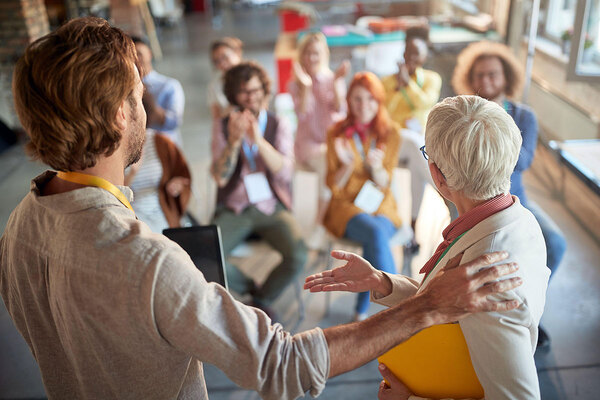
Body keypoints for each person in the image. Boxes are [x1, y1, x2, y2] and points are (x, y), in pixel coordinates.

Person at [1, 17, 524, 399]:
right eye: (139, 96)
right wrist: (427, 307)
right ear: (120, 114)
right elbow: (281, 365)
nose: (148, 108)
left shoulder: (20, 225)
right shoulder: (148, 262)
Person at [306, 95, 551, 400]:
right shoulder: (515, 219)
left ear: (437, 175)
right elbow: (449, 299)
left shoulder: (490, 274)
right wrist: (384, 282)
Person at [452, 40, 567, 348]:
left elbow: (524, 161)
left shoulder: (524, 116)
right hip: (471, 205)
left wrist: (493, 126)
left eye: (492, 74)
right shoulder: (464, 114)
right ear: (470, 78)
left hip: (515, 204)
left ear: (506, 77)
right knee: (472, 259)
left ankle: (526, 305)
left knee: (555, 244)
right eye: (479, 75)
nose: (486, 81)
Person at [210, 61, 308, 316]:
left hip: (271, 204)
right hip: (235, 206)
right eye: (244, 92)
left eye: (256, 91)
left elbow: (285, 172)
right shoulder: (222, 126)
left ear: (265, 92)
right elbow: (220, 179)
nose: (251, 98)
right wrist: (233, 141)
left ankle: (263, 299)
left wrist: (259, 141)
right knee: (206, 257)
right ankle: (251, 288)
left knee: (297, 255)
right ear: (233, 95)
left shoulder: (279, 124)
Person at [323, 72, 402, 321]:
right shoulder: (337, 133)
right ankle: (401, 305)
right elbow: (333, 187)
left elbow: (386, 181)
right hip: (346, 206)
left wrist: (376, 168)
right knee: (376, 233)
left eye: (370, 99)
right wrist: (346, 166)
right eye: (357, 99)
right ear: (348, 101)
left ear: (379, 100)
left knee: (374, 235)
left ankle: (360, 312)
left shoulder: (391, 132)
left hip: (381, 204)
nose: (363, 105)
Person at [381, 25, 443, 252]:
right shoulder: (387, 82)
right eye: (407, 52)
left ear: (425, 56)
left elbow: (425, 102)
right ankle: (444, 190)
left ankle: (412, 232)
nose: (411, 57)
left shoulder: (431, 79)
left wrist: (407, 84)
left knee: (419, 166)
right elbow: (383, 112)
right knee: (413, 143)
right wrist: (398, 87)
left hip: (419, 147)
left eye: (416, 53)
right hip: (392, 145)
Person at [288, 32, 349, 245]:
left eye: (316, 54)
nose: (311, 59)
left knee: (348, 161)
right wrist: (305, 87)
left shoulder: (331, 78)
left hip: (330, 141)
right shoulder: (296, 84)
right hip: (308, 144)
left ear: (323, 55)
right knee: (328, 163)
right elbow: (302, 114)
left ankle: (336, 214)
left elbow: (340, 110)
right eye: (307, 54)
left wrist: (337, 82)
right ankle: (320, 223)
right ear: (301, 55)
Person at [124, 87, 191, 233]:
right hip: (131, 222)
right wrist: (132, 174)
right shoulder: (113, 147)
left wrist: (176, 187)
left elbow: (185, 181)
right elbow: (110, 196)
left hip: (163, 219)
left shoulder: (161, 143)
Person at [132, 35, 185, 147]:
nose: (136, 58)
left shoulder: (169, 86)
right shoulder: (125, 88)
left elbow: (174, 122)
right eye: (131, 55)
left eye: (139, 53)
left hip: (166, 147)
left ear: (150, 54)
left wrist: (149, 102)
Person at [208, 37, 243, 121]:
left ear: (237, 53)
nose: (222, 63)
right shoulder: (215, 86)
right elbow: (216, 119)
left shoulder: (253, 77)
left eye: (225, 57)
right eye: (217, 61)